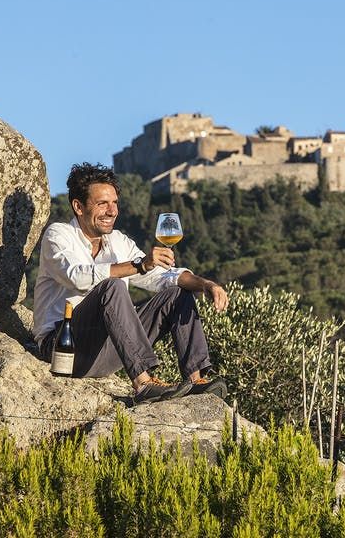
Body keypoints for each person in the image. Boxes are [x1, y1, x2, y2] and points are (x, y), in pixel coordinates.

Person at [33, 162, 229, 403]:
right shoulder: (58, 235)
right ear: (78, 206)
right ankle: (143, 384)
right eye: (102, 203)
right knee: (112, 285)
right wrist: (138, 264)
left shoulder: (117, 241)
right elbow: (76, 276)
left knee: (177, 293)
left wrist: (205, 284)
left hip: (108, 350)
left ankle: (196, 380)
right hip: (64, 348)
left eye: (114, 203)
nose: (112, 211)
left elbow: (160, 277)